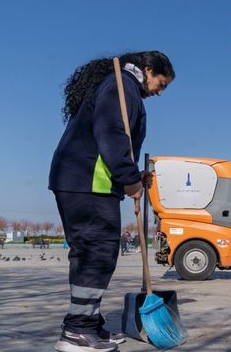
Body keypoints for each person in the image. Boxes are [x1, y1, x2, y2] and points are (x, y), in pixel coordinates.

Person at [49, 51, 175, 352]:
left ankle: (87, 323)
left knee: (89, 253)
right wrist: (129, 178)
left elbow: (114, 142)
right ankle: (77, 331)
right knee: (98, 253)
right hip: (86, 181)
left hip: (80, 180)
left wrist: (131, 175)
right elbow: (112, 134)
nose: (159, 92)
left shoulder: (121, 87)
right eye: (161, 83)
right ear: (148, 70)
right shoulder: (121, 86)